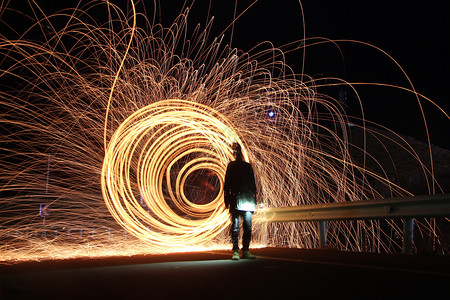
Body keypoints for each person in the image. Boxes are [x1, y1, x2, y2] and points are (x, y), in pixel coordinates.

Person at [224, 142, 257, 260]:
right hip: (236, 200)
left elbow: (253, 184)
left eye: (237, 151)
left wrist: (255, 200)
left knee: (247, 227)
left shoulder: (247, 166)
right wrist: (226, 199)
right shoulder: (232, 166)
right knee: (236, 227)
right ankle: (236, 250)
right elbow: (227, 184)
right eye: (234, 151)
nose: (235, 153)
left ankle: (246, 250)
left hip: (246, 201)